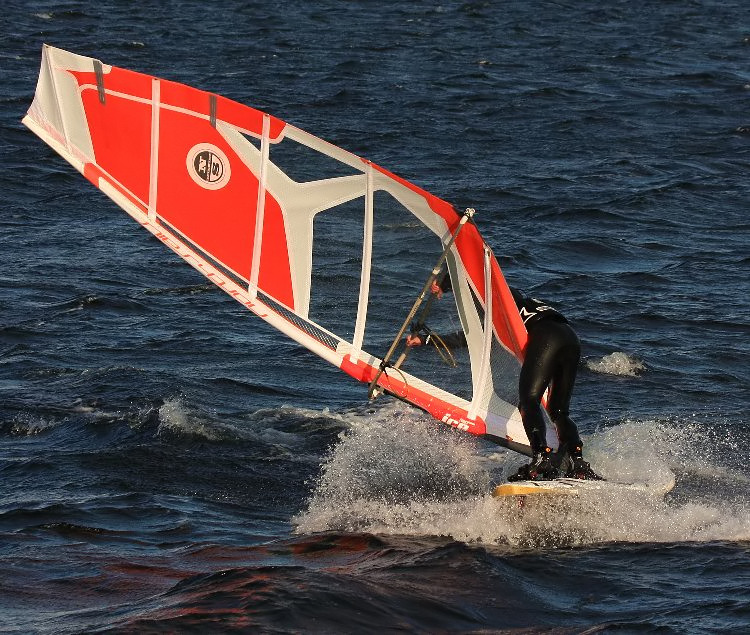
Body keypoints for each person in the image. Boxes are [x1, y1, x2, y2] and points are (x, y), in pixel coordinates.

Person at [405, 276, 600, 481]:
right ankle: (578, 463)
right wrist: (427, 337)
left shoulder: (499, 298)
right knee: (559, 411)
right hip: (570, 338)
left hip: (547, 336)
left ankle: (542, 457)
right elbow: (472, 328)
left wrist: (445, 282)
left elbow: (469, 276)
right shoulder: (518, 301)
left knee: (528, 401)